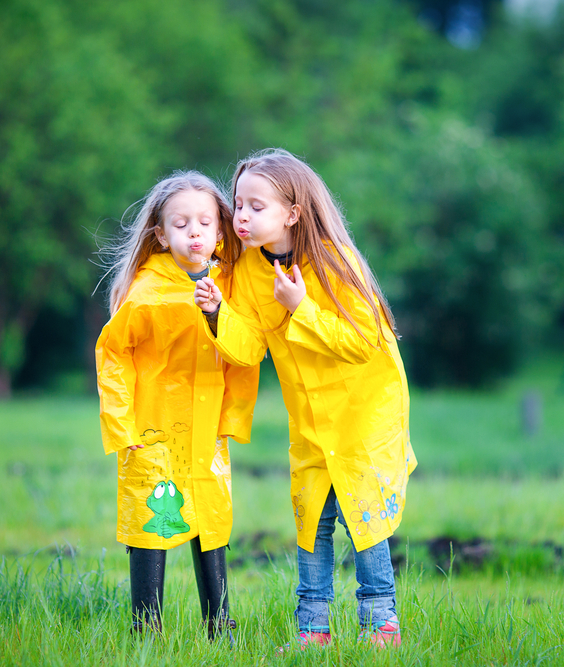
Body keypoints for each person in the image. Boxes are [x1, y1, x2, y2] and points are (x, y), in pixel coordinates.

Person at [194, 149, 416, 650]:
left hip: (363, 416)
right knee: (312, 523)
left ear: (293, 212)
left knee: (366, 520)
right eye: (239, 204)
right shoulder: (249, 270)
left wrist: (302, 308)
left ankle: (381, 626)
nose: (242, 217)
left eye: (256, 206)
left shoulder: (335, 260)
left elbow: (363, 343)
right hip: (310, 421)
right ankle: (312, 631)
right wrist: (216, 315)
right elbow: (249, 347)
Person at [96, 171, 258, 640]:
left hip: (206, 434)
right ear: (161, 234)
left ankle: (220, 626)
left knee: (211, 522)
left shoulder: (230, 285)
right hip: (153, 432)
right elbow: (113, 355)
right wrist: (124, 429)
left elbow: (246, 355)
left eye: (205, 222)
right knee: (153, 522)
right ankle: (146, 630)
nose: (195, 232)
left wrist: (216, 314)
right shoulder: (147, 291)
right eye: (181, 223)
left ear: (220, 230)